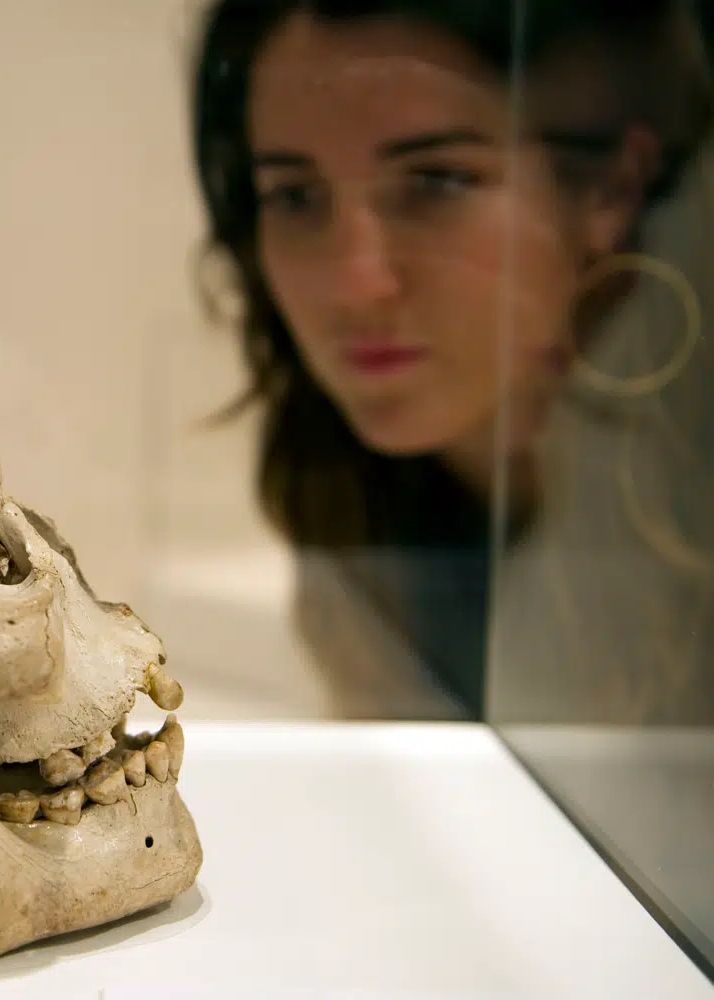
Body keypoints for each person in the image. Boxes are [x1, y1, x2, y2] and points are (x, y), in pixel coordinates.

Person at [190, 0, 714, 719]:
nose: (356, 283)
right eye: (296, 195)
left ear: (612, 189)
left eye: (436, 181)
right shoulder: (348, 490)